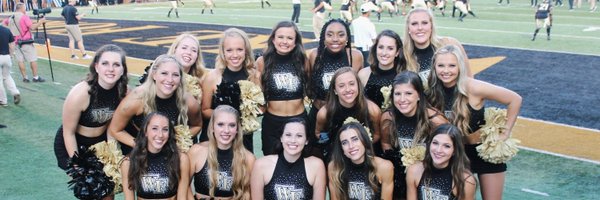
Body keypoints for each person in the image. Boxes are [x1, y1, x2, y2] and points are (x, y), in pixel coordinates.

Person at [427, 45, 522, 200]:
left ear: (460, 67)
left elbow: (515, 99)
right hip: (456, 154)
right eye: (441, 65)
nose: (446, 70)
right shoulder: (432, 91)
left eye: (452, 65)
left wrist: (505, 133)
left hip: (484, 153)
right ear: (434, 67)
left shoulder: (473, 87)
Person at [54, 44, 129, 170]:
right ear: (96, 67)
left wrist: (113, 151)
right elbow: (68, 133)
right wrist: (77, 164)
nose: (111, 69)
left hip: (100, 143)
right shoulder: (80, 94)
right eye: (105, 63)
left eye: (116, 64)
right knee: (86, 186)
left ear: (122, 70)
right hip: (74, 144)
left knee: (109, 185)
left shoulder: (124, 93)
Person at [109, 54, 202, 155]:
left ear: (180, 78)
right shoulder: (137, 99)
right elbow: (115, 129)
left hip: (169, 152)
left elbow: (197, 125)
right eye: (164, 73)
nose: (170, 79)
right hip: (138, 152)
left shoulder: (188, 101)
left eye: (175, 75)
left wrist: (177, 141)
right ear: (154, 74)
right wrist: (140, 145)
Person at [380, 71, 447, 199]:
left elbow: (451, 149)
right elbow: (386, 143)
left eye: (408, 93)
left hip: (429, 176)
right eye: (397, 94)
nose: (402, 99)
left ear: (419, 96)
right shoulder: (388, 117)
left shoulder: (435, 121)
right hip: (400, 176)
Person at [200, 28, 259, 152]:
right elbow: (205, 110)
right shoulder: (212, 77)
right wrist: (229, 116)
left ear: (246, 51)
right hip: (216, 139)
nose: (235, 55)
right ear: (223, 52)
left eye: (239, 50)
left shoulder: (254, 76)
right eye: (229, 50)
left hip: (243, 139)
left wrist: (247, 113)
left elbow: (262, 108)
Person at [307, 19, 363, 148]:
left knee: (348, 155)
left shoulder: (355, 56)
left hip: (347, 117)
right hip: (320, 118)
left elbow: (359, 88)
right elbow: (310, 84)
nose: (335, 39)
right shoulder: (315, 55)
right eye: (330, 34)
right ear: (323, 37)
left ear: (348, 37)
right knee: (321, 151)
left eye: (341, 34)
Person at [256, 21, 309, 156]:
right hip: (273, 122)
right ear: (273, 39)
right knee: (272, 166)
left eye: (290, 38)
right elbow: (258, 96)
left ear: (296, 41)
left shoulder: (303, 61)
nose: (284, 41)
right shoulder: (262, 61)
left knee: (299, 167)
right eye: (280, 37)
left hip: (299, 121)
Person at [187, 105, 255, 199]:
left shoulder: (248, 158)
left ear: (237, 129)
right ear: (212, 127)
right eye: (220, 124)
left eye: (232, 125)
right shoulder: (196, 151)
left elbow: (248, 194)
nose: (226, 130)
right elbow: (184, 186)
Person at [250, 118, 327, 200]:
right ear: (281, 138)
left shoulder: (316, 166)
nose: (293, 140)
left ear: (306, 140)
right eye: (288, 135)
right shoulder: (261, 165)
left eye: (299, 136)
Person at [121, 112, 192, 200]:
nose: (160, 135)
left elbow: (182, 198)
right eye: (155, 128)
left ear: (169, 133)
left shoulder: (181, 159)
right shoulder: (128, 163)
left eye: (165, 129)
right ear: (145, 131)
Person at [315, 67, 381, 160]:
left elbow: (377, 134)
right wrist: (331, 145)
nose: (348, 89)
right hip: (337, 157)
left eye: (352, 84)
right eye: (341, 86)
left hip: (364, 156)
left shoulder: (372, 110)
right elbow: (320, 132)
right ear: (335, 90)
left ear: (358, 85)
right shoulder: (325, 112)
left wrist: (359, 147)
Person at [406, 124, 477, 200]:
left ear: (455, 151)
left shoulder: (466, 180)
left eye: (446, 146)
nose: (438, 150)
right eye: (435, 143)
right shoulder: (414, 171)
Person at [328, 121, 394, 199]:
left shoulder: (384, 167)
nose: (351, 146)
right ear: (341, 149)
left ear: (364, 141)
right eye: (345, 142)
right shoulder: (334, 167)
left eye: (355, 139)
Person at [403, 8, 471, 83]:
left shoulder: (451, 44)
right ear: (408, 28)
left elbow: (469, 79)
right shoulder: (402, 54)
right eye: (414, 24)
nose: (420, 28)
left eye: (424, 23)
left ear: (431, 26)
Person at [358, 29, 405, 108]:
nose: (384, 53)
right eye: (381, 47)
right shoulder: (363, 74)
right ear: (375, 49)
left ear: (397, 52)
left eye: (390, 48)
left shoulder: (404, 76)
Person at [3, 3, 46, 83]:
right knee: (32, 59)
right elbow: (32, 27)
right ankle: (35, 77)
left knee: (20, 60)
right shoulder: (24, 17)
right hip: (26, 41)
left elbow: (3, 24)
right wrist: (40, 22)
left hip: (15, 42)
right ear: (22, 8)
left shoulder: (11, 17)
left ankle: (25, 78)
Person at [0, 24, 20, 106]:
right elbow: (12, 44)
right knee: (7, 76)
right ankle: (15, 92)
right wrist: (11, 55)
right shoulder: (6, 30)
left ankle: (3, 100)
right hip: (7, 57)